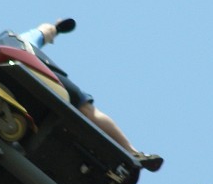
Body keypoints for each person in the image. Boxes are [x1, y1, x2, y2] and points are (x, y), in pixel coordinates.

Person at [18, 19, 163, 172]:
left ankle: (131, 154)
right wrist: (56, 28)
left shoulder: (11, 44)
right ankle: (133, 152)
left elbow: (43, 32)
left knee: (80, 111)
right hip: (36, 72)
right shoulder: (21, 41)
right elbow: (45, 31)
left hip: (20, 88)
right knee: (86, 110)